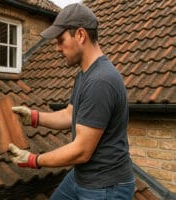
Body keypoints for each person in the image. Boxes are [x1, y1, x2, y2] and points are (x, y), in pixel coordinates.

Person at [8, 3, 135, 200]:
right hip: (82, 176)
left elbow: (81, 151)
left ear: (81, 35)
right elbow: (70, 114)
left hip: (106, 187)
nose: (57, 48)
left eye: (61, 40)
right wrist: (34, 117)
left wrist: (34, 160)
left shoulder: (100, 81)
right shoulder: (85, 75)